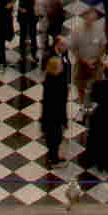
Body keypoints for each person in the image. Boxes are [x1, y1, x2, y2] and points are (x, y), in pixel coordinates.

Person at [70, 2, 106, 111]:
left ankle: (94, 105)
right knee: (80, 84)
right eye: (89, 17)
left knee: (97, 85)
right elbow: (73, 48)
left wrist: (96, 59)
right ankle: (82, 105)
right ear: (85, 17)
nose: (91, 20)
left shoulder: (99, 30)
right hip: (81, 63)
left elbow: (103, 46)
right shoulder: (77, 30)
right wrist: (83, 60)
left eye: (93, 18)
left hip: (96, 63)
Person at [41, 35, 70, 164]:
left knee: (54, 138)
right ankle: (53, 159)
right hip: (54, 115)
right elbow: (57, 103)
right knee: (54, 138)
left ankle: (53, 155)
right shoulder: (54, 84)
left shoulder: (52, 80)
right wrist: (63, 119)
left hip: (52, 115)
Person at [16, 0, 40, 71]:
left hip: (32, 14)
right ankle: (22, 54)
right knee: (23, 34)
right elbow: (16, 1)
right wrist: (20, 8)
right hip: (23, 15)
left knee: (33, 34)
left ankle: (34, 54)